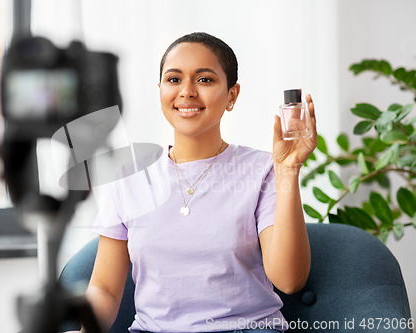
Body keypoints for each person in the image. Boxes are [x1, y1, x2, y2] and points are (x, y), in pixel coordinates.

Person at [81, 32, 316, 333]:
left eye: (204, 80)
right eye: (174, 79)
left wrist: (289, 170)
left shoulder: (263, 169)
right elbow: (104, 288)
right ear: (160, 90)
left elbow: (289, 279)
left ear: (232, 95)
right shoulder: (130, 178)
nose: (187, 92)